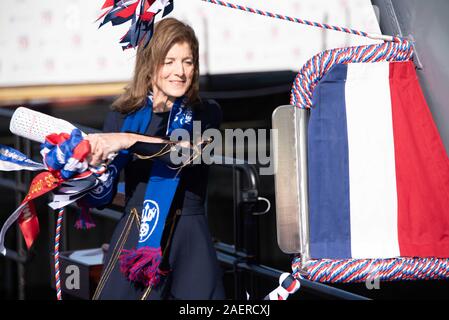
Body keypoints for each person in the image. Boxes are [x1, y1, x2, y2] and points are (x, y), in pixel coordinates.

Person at [81, 17, 225, 300]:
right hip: (136, 234)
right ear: (150, 64)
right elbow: (103, 194)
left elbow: (183, 152)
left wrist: (127, 140)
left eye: (187, 61)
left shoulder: (206, 112)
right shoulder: (122, 114)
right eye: (169, 61)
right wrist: (86, 169)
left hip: (190, 241)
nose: (180, 71)